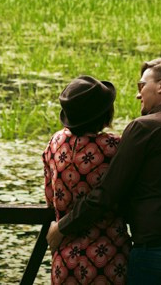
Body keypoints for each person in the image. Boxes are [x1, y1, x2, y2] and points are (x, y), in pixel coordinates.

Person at [46, 58, 161, 285]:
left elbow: (108, 193)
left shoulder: (144, 127)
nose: (139, 94)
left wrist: (62, 228)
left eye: (141, 86)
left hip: (156, 251)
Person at [43, 75, 131, 284]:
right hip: (109, 257)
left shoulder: (55, 142)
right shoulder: (114, 148)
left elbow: (49, 197)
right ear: (106, 114)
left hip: (65, 260)